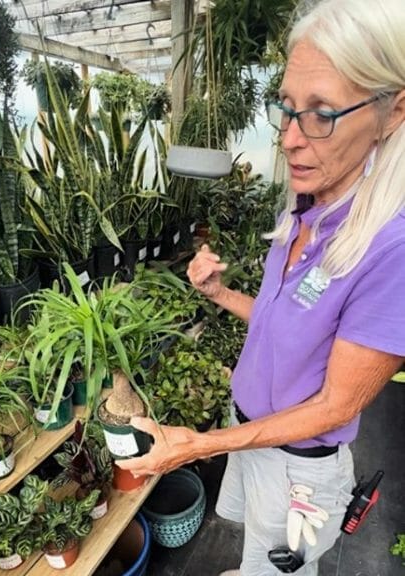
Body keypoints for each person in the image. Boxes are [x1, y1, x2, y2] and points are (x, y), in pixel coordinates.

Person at [117, 0, 405, 573]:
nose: (289, 139)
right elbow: (291, 327)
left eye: (322, 113)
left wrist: (195, 446)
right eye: (288, 108)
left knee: (275, 564)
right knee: (252, 544)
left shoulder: (391, 250)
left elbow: (334, 405)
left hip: (298, 465)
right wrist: (222, 294)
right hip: (249, 434)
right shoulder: (306, 207)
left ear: (392, 112)